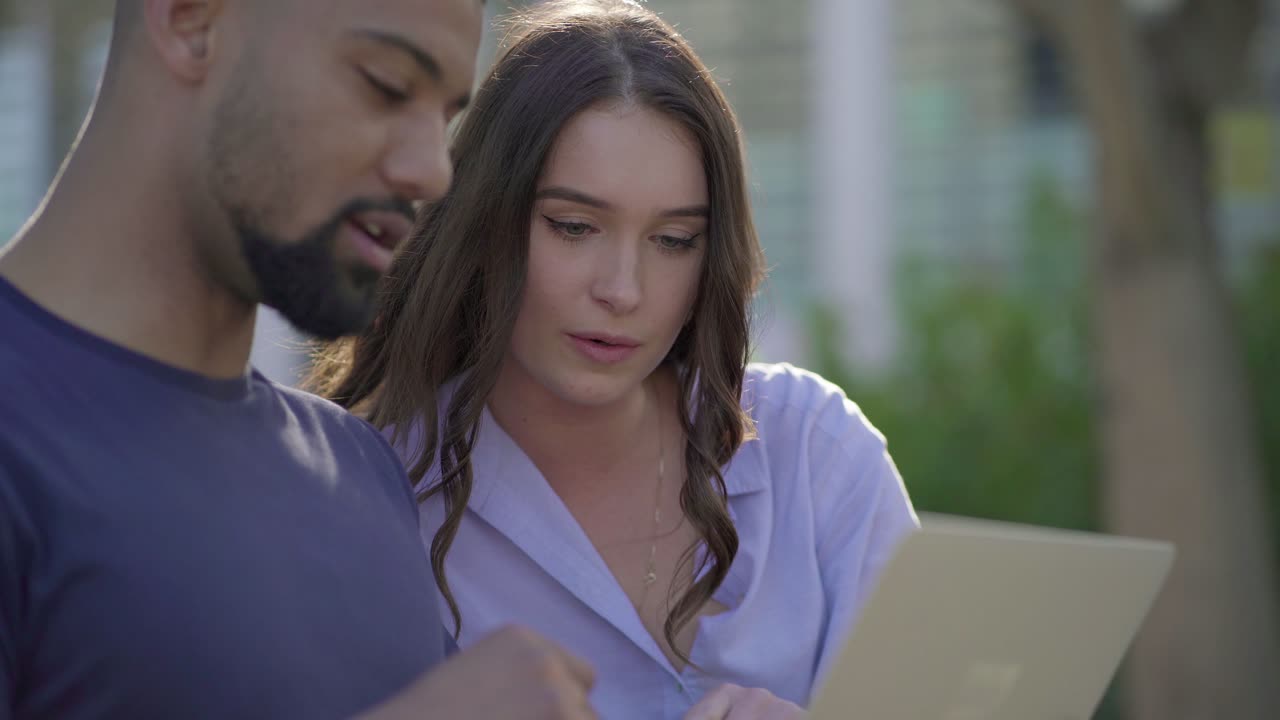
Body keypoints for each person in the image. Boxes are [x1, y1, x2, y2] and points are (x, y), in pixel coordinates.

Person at [309, 1, 919, 718]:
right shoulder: (375, 490)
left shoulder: (814, 453)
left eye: (674, 241)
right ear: (486, 222)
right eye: (574, 226)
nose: (623, 290)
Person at [0, 1, 597, 718]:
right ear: (192, 21)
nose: (432, 172)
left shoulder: (361, 469)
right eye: (385, 84)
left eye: (444, 119)